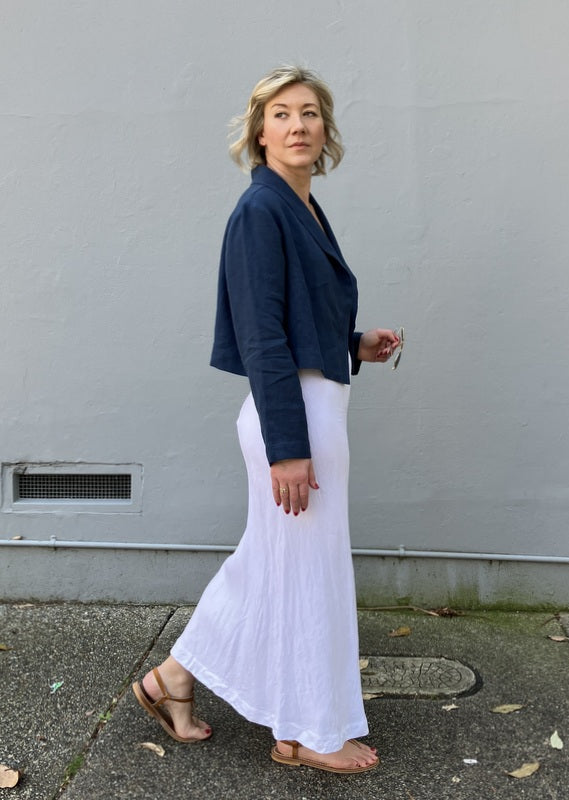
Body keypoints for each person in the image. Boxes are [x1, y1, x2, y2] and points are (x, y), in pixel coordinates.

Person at [133, 65, 399, 774]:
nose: (297, 125)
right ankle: (307, 732)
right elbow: (261, 337)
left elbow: (296, 321)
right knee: (307, 574)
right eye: (280, 114)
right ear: (259, 133)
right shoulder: (261, 211)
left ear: (324, 128)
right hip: (294, 423)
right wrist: (288, 447)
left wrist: (354, 345)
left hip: (312, 411)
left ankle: (172, 680)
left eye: (309, 112)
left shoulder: (299, 206)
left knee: (269, 566)